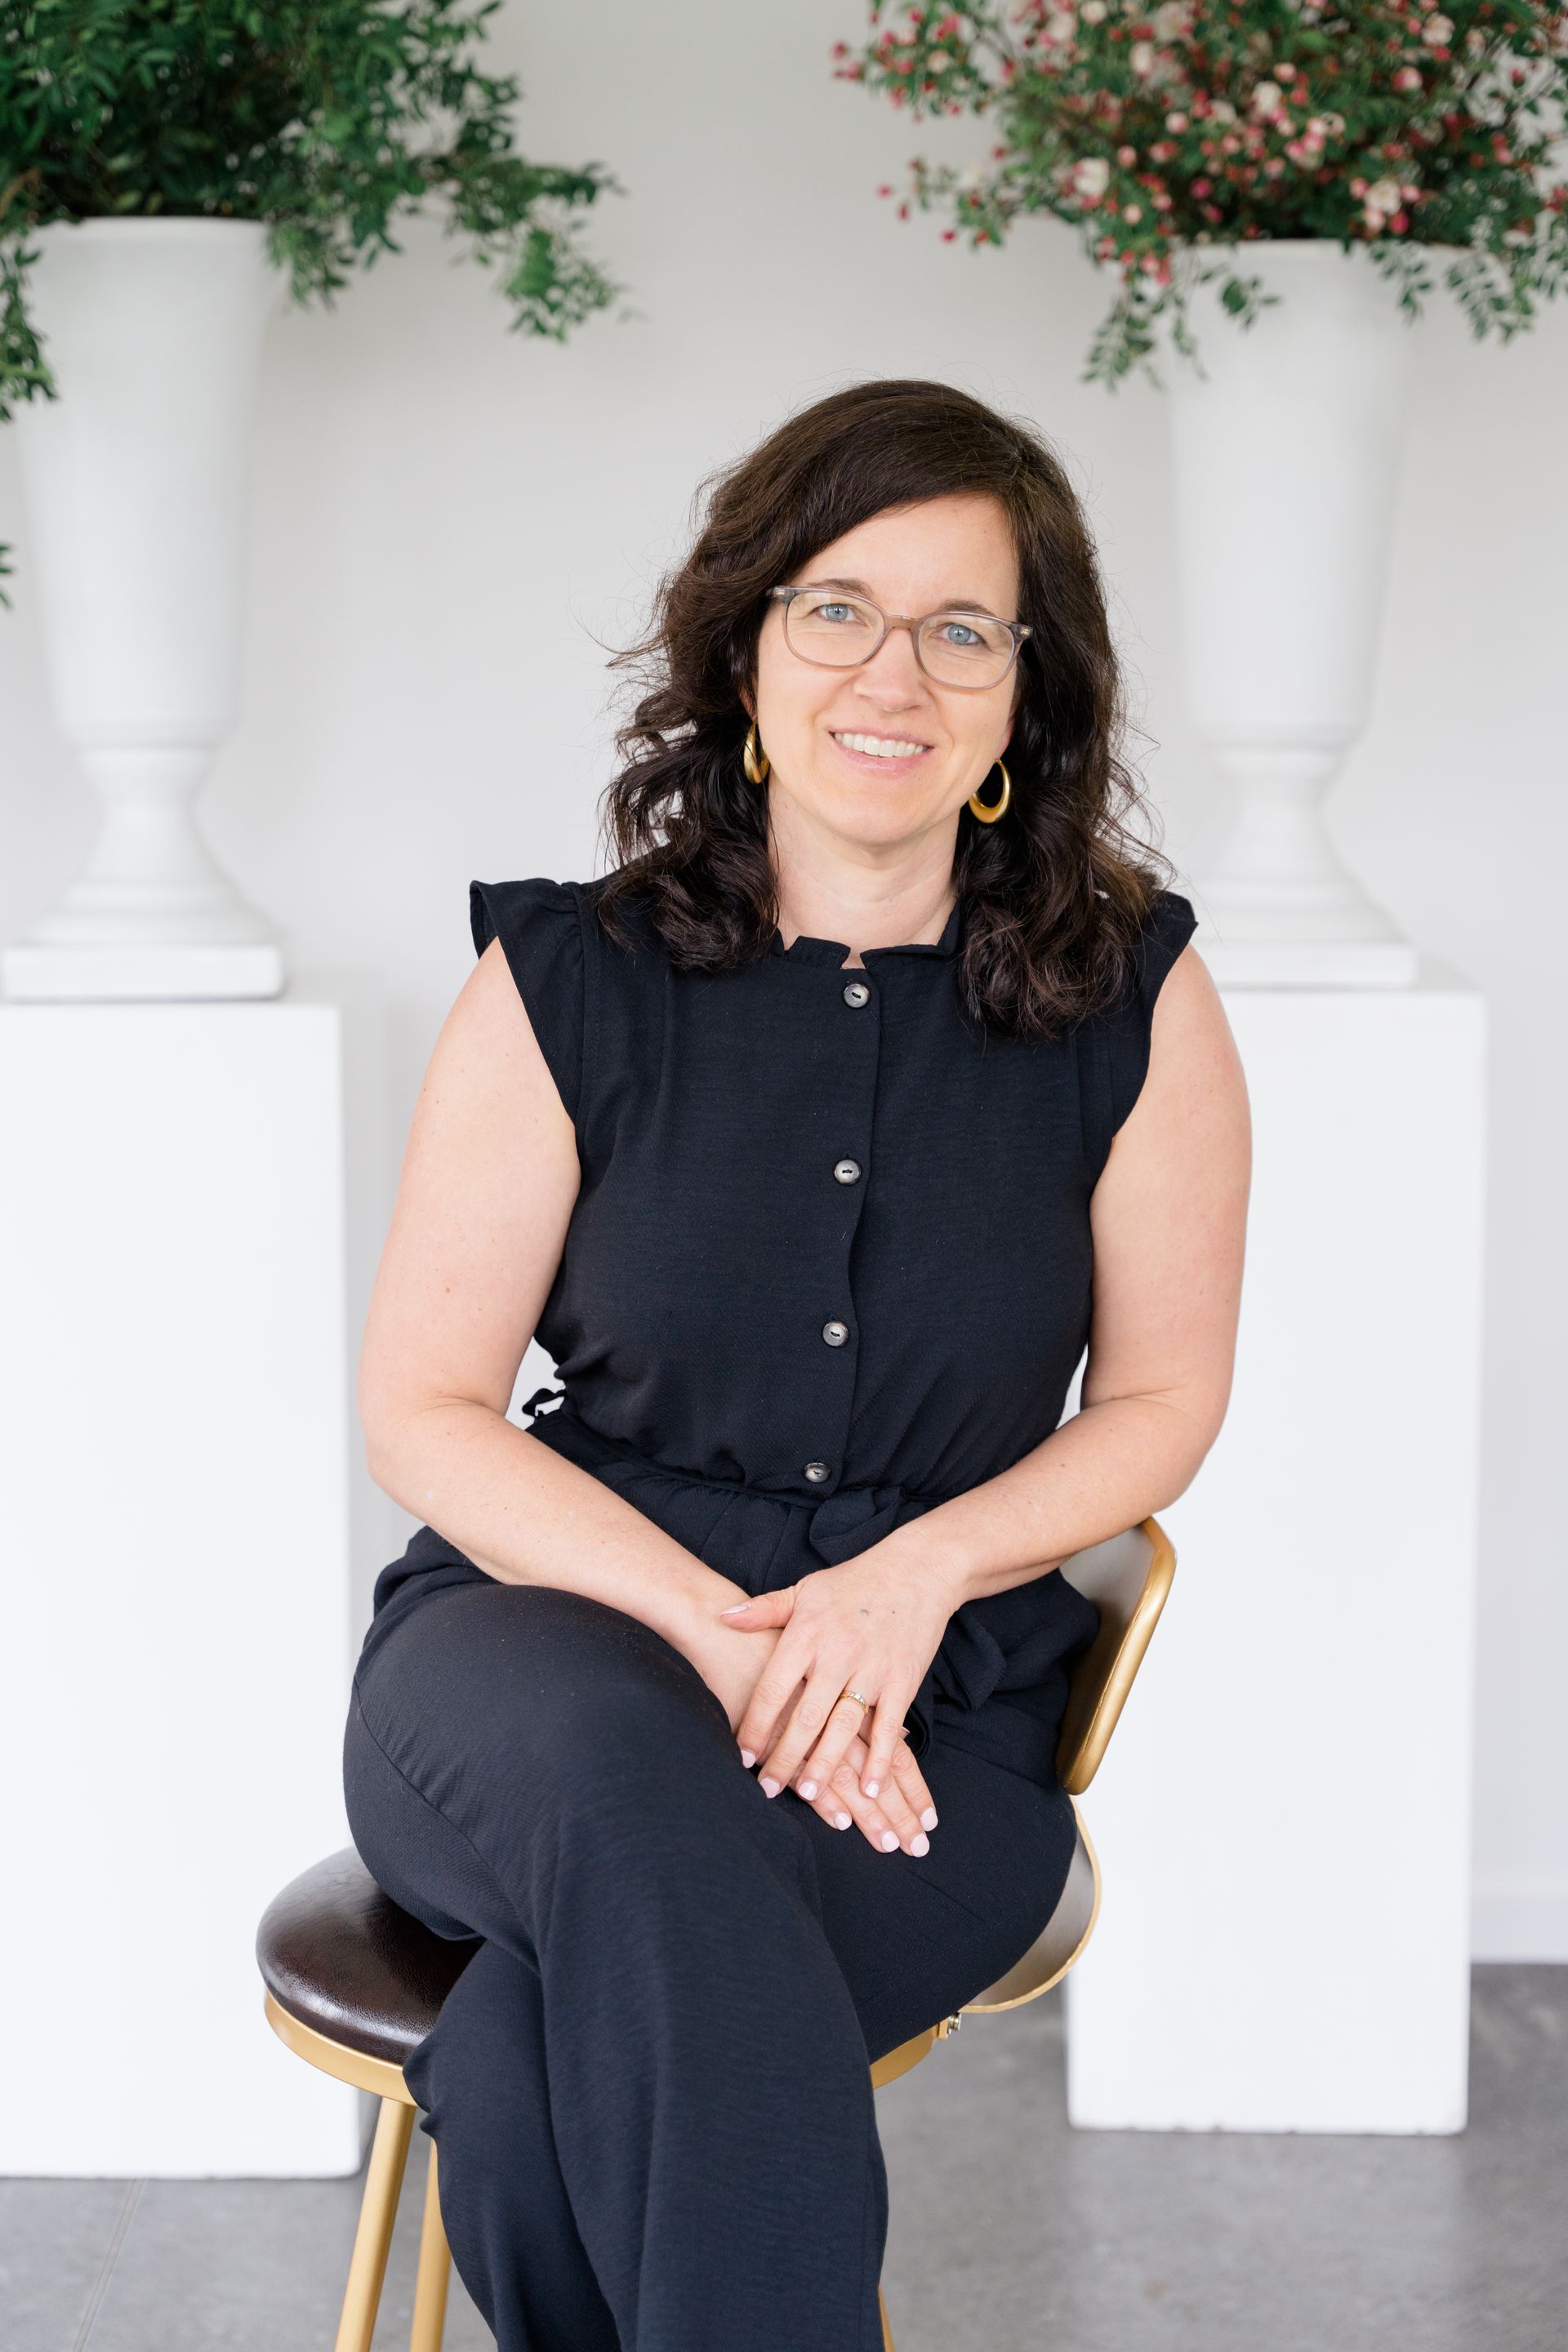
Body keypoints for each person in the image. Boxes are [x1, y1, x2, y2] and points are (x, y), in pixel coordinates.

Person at [344, 376, 1250, 2351]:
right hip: (545, 1656)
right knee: (620, 1776)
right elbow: (422, 1405)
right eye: (836, 607)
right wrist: (718, 1627)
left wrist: (914, 1575)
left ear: (1030, 691)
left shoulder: (1135, 1009)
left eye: (962, 628)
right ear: (746, 650)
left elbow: (1167, 1404)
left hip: (926, 1732)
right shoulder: (562, 988)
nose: (892, 674)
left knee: (513, 2068)